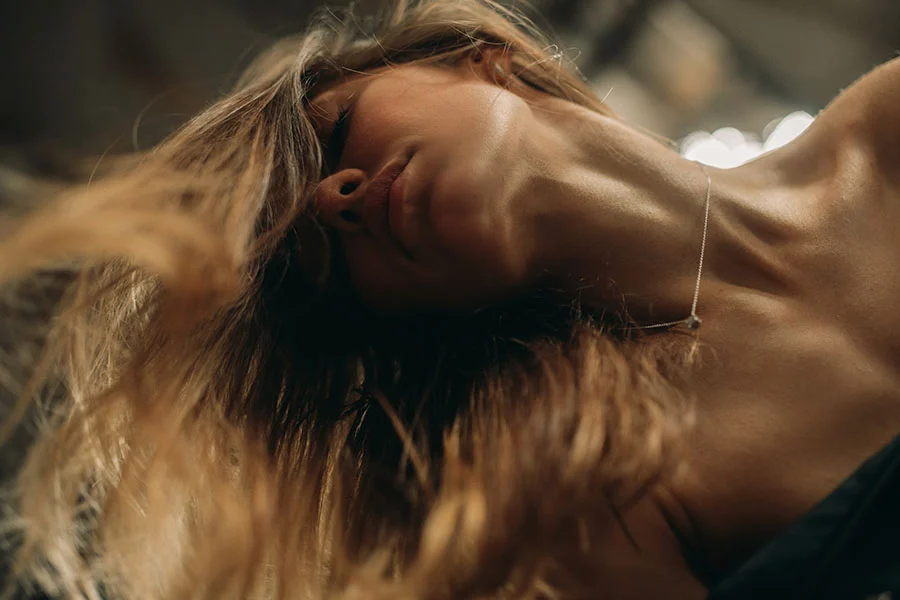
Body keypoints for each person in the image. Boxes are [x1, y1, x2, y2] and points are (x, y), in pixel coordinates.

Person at [2, 0, 900, 597]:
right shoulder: (600, 496)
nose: (332, 200)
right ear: (393, 319)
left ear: (480, 62)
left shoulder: (884, 127)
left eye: (333, 136)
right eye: (313, 261)